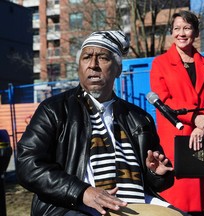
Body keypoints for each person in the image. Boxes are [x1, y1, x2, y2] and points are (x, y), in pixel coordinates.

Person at [16, 30, 186, 216]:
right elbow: (27, 163)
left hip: (135, 204)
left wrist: (157, 173)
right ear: (79, 67)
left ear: (118, 69)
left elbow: (156, 183)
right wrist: (82, 191)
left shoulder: (139, 118)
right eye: (87, 57)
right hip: (72, 206)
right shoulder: (55, 109)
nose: (93, 65)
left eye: (103, 58)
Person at [150, 10, 204, 215]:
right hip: (176, 138)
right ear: (172, 32)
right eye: (177, 28)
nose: (182, 33)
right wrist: (194, 118)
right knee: (179, 206)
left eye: (187, 28)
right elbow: (164, 100)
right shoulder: (160, 64)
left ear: (196, 33)